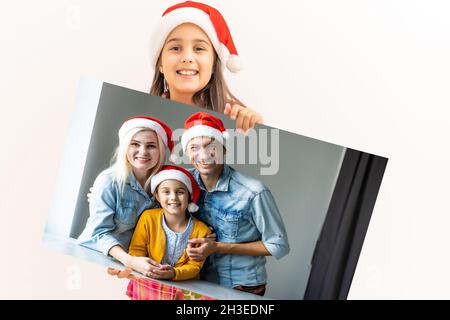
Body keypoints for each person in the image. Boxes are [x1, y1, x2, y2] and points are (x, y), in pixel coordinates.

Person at [181, 112, 290, 296]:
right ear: (187, 152)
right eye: (194, 147)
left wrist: (218, 247)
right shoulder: (181, 183)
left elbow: (278, 245)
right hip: (196, 280)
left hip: (240, 287)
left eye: (211, 146)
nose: (203, 154)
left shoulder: (253, 192)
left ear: (225, 149)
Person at [77, 116, 174, 274]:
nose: (143, 152)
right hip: (93, 257)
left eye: (151, 146)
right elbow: (99, 233)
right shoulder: (109, 181)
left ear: (160, 151)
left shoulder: (164, 187)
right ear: (125, 147)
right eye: (135, 144)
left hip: (131, 265)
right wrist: (130, 261)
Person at [148, 0, 263, 132]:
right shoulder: (145, 116)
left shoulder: (233, 118)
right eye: (175, 48)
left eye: (199, 49)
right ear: (160, 63)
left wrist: (255, 129)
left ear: (214, 65)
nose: (187, 58)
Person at [127, 165, 211, 280]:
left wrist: (174, 273)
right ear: (157, 196)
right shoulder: (148, 218)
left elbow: (195, 266)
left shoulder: (202, 231)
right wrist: (146, 268)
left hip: (183, 287)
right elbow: (136, 250)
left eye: (180, 192)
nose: (173, 197)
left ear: (189, 196)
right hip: (147, 278)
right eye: (166, 192)